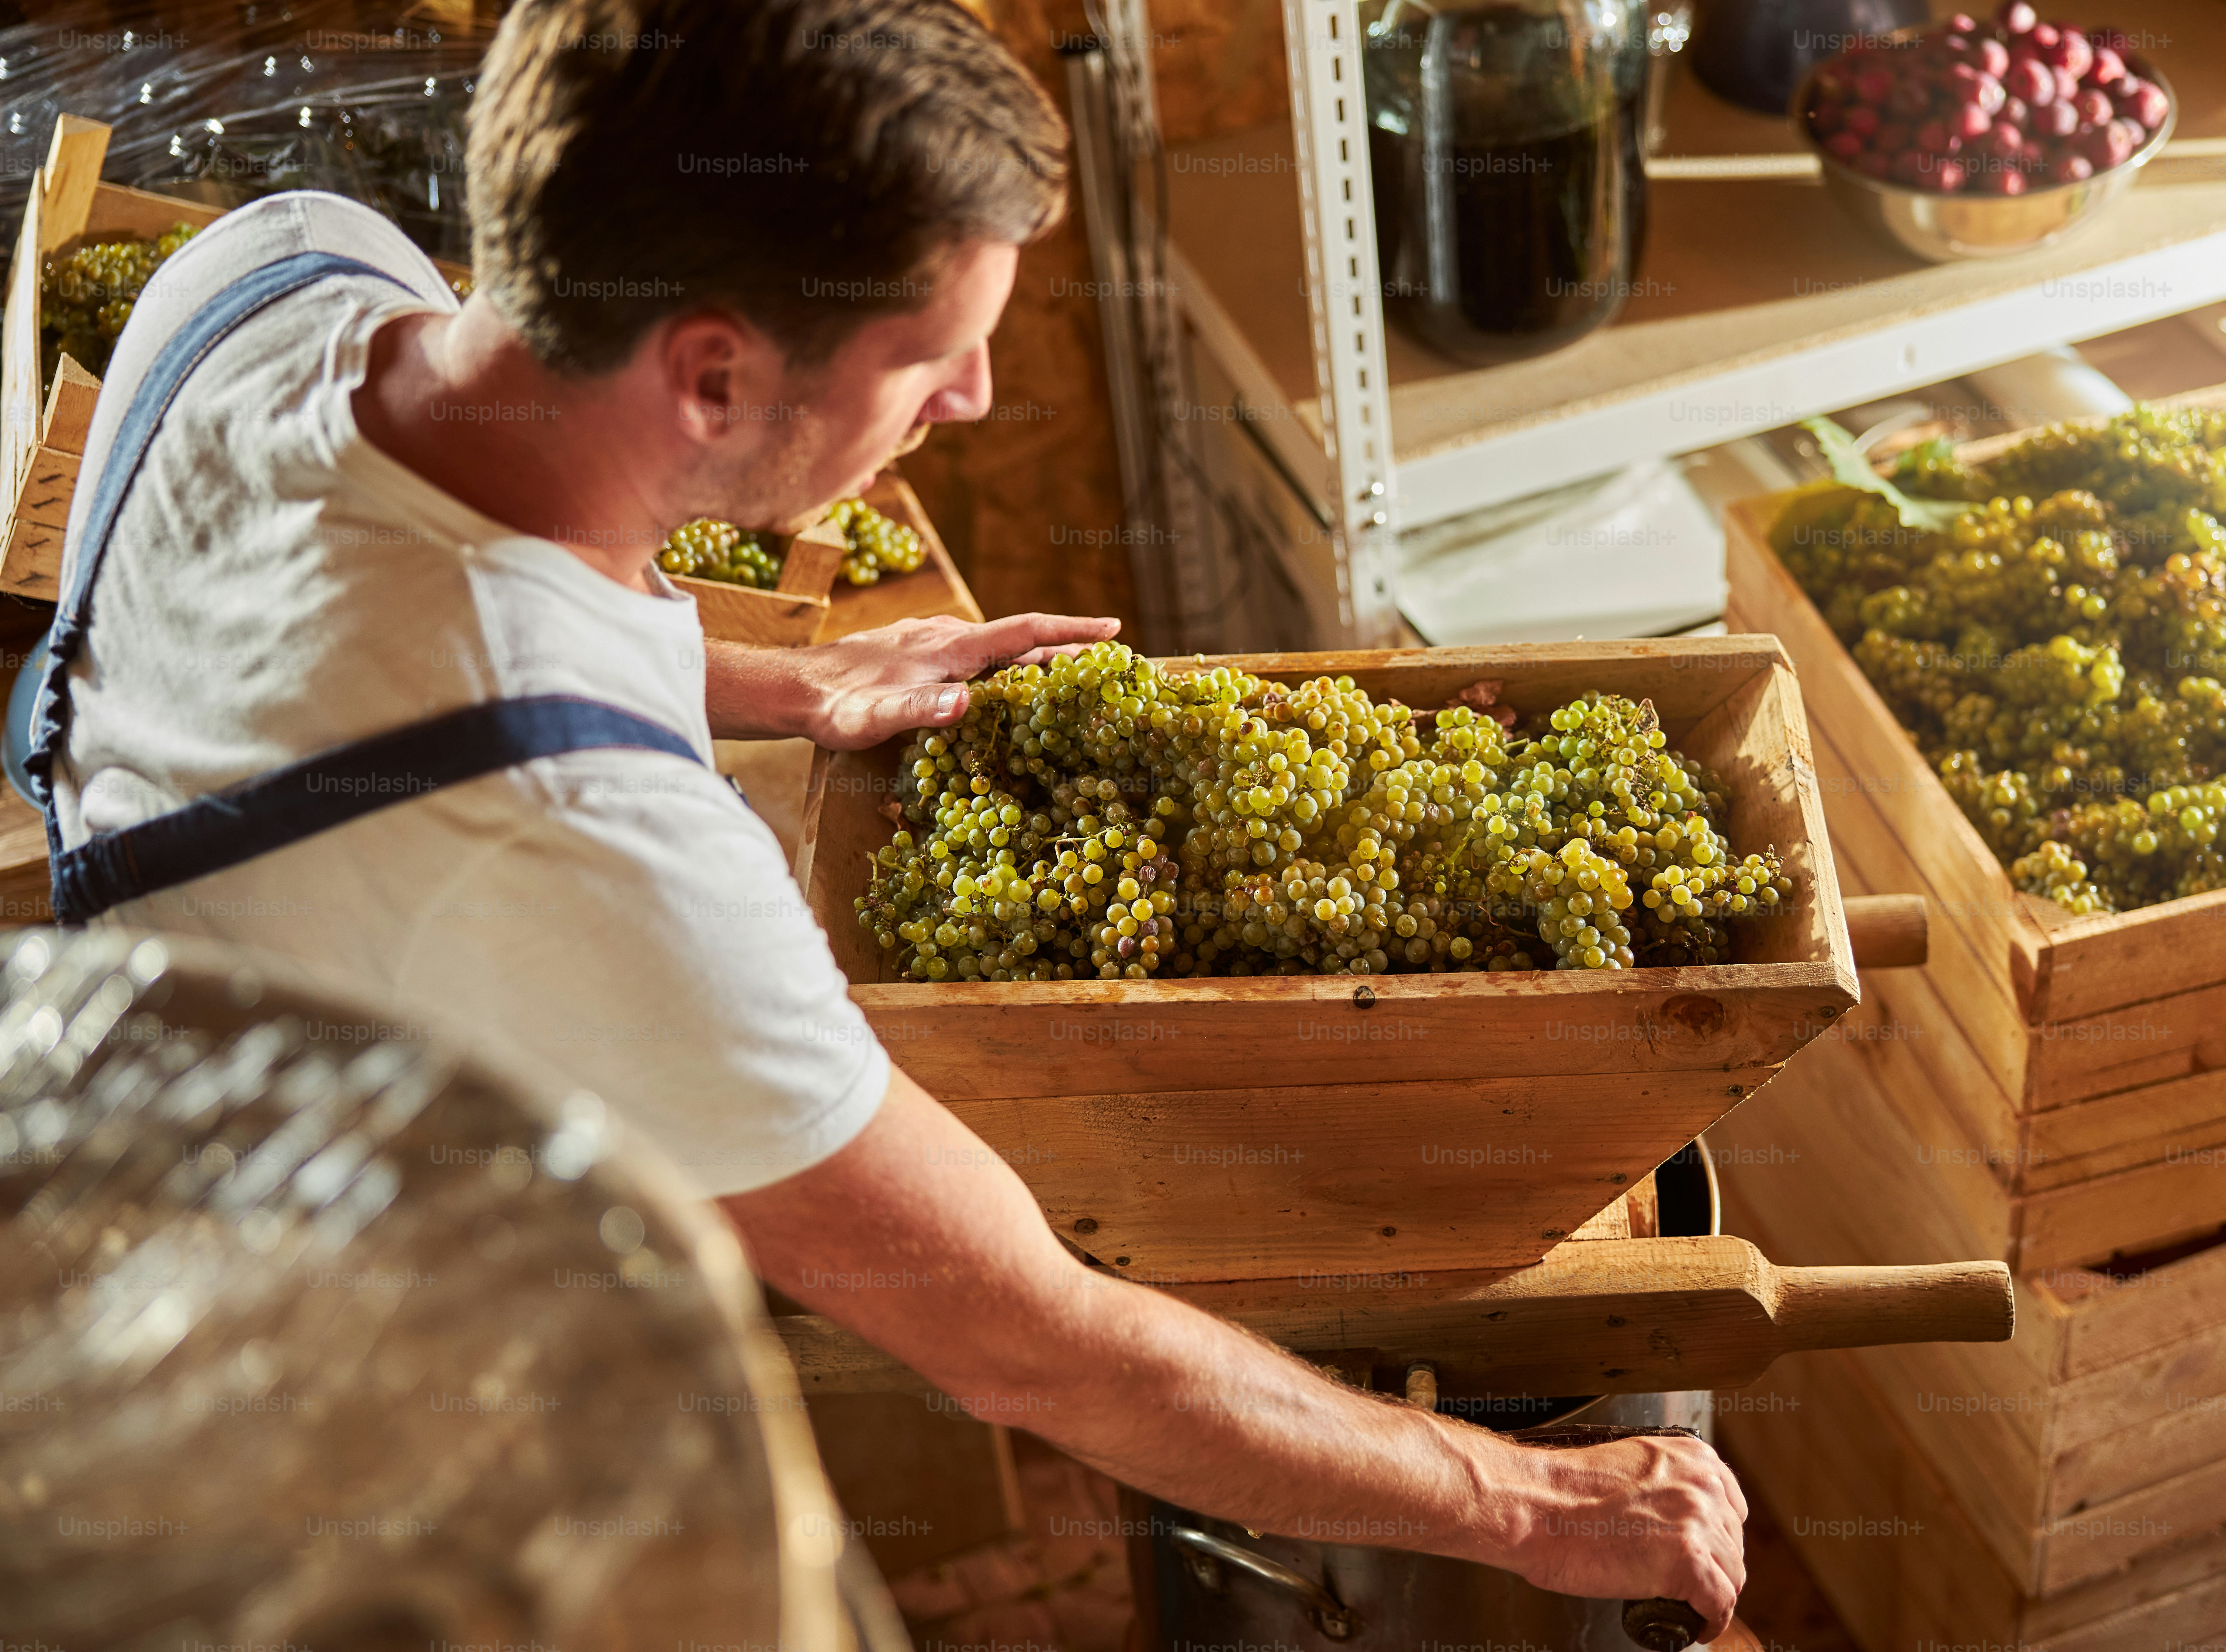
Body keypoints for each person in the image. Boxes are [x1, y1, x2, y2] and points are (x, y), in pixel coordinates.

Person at [39, 0, 1745, 1629]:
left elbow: (409, 610)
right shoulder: (587, 850)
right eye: (933, 354)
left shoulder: (275, 271)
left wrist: (785, 682)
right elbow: (1038, 1347)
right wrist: (1540, 1506)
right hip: (305, 1445)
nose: (977, 397)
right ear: (713, 379)